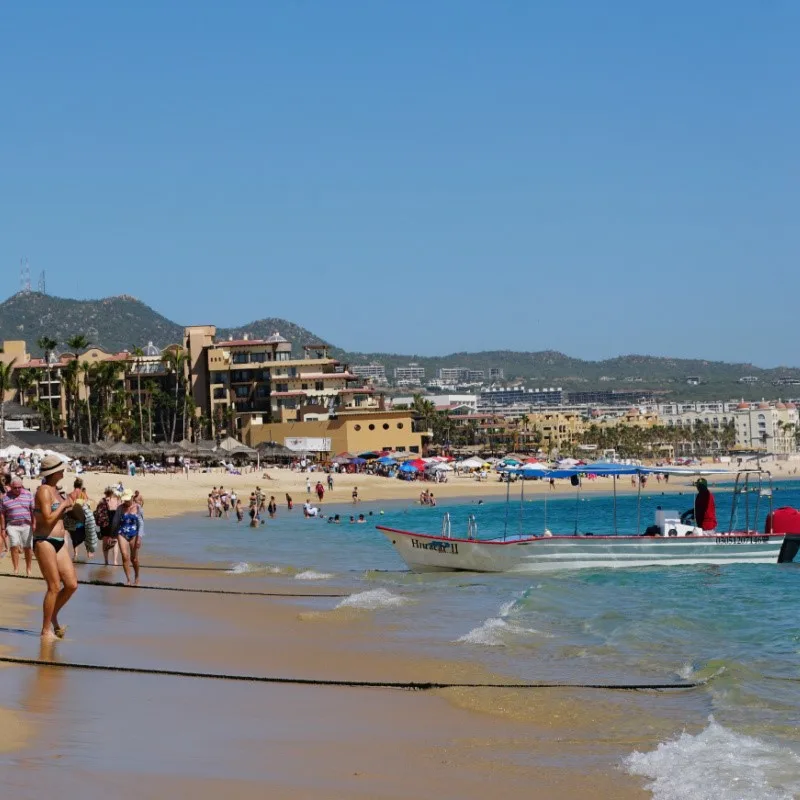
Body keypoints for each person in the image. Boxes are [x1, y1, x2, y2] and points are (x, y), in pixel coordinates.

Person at [32, 455, 78, 640]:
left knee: (71, 584)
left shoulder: (56, 490)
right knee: (53, 586)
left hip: (59, 541)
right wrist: (65, 504)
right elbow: (48, 518)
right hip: (45, 540)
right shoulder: (44, 491)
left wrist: (70, 508)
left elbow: (60, 517)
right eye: (61, 469)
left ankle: (53, 616)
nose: (63, 471)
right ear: (54, 472)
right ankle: (45, 630)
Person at [0, 477, 35, 576]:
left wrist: (34, 524)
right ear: (11, 487)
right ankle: (16, 569)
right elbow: (2, 514)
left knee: (28, 547)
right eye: (15, 488)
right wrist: (3, 528)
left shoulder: (29, 495)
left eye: (19, 487)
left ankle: (28, 568)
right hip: (12, 525)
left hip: (27, 525)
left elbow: (33, 511)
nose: (18, 489)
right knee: (14, 545)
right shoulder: (5, 497)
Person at [113, 490, 142, 586]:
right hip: (122, 533)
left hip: (134, 534)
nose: (125, 502)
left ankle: (137, 577)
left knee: (134, 559)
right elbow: (115, 522)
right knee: (125, 556)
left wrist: (139, 538)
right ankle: (128, 580)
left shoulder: (138, 507)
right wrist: (112, 536)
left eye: (127, 499)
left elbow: (141, 524)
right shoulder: (120, 508)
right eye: (124, 500)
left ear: (131, 498)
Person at [94, 487, 119, 566]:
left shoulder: (102, 500)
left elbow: (97, 512)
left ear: (105, 493)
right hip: (114, 522)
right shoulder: (117, 500)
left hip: (105, 523)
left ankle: (106, 561)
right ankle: (115, 561)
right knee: (115, 541)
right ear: (112, 493)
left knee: (105, 541)